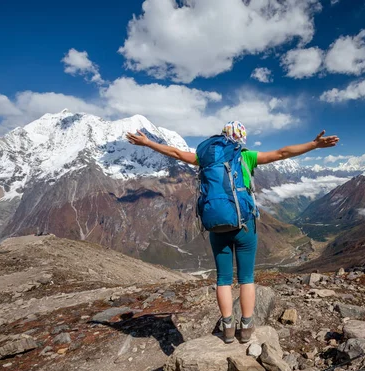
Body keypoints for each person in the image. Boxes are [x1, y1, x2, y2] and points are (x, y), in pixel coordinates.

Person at [126, 121, 339, 343]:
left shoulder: (206, 158)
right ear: (242, 139)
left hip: (217, 226)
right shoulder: (245, 157)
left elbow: (176, 152)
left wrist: (148, 142)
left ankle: (227, 327)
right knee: (246, 278)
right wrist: (314, 145)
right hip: (244, 225)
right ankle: (246, 327)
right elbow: (282, 152)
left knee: (223, 279)